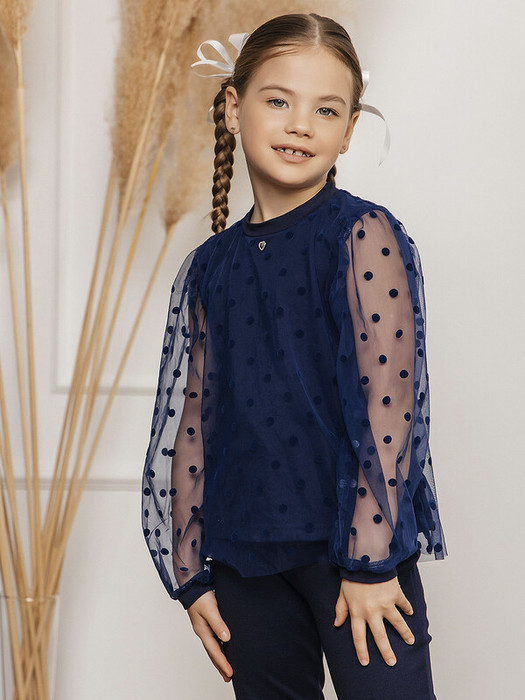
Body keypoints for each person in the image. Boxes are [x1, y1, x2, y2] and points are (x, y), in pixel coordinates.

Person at [141, 12, 446, 699]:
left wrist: (369, 564)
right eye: (278, 101)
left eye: (325, 110)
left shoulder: (361, 235)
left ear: (348, 131)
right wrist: (191, 572)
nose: (301, 125)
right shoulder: (210, 266)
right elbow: (194, 419)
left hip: (350, 551)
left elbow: (388, 403)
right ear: (232, 108)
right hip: (244, 560)